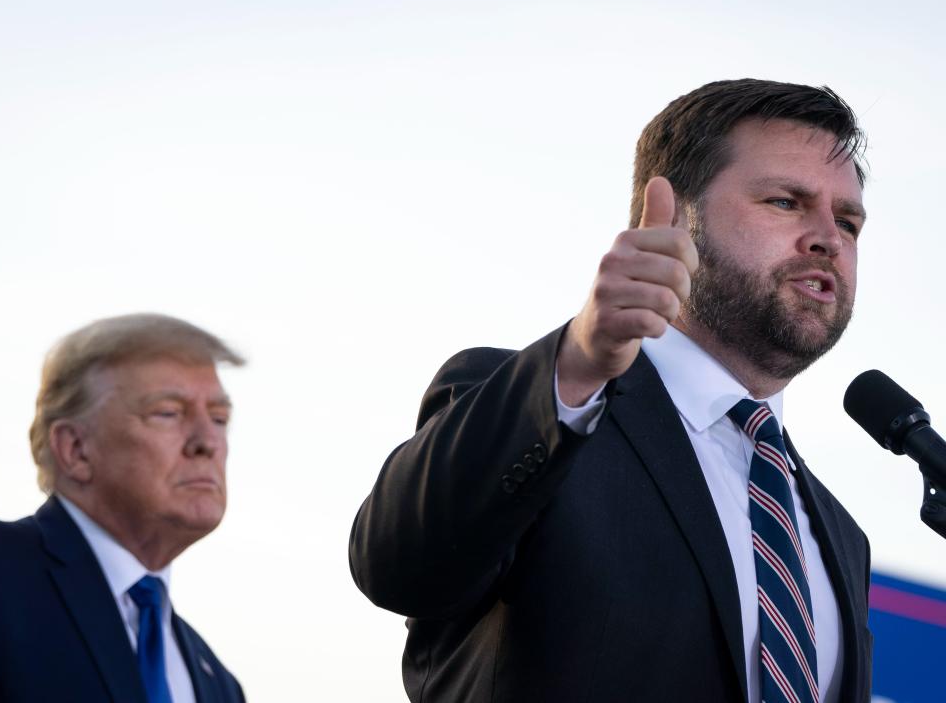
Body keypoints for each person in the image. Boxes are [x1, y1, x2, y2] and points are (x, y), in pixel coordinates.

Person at [349, 79, 873, 702]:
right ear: (677, 216)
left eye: (848, 221)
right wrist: (577, 363)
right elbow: (401, 565)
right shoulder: (543, 409)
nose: (829, 239)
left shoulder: (841, 536)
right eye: (787, 202)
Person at [0, 313, 246, 703]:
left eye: (219, 418)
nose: (208, 442)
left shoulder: (219, 683)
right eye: (168, 413)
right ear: (75, 449)